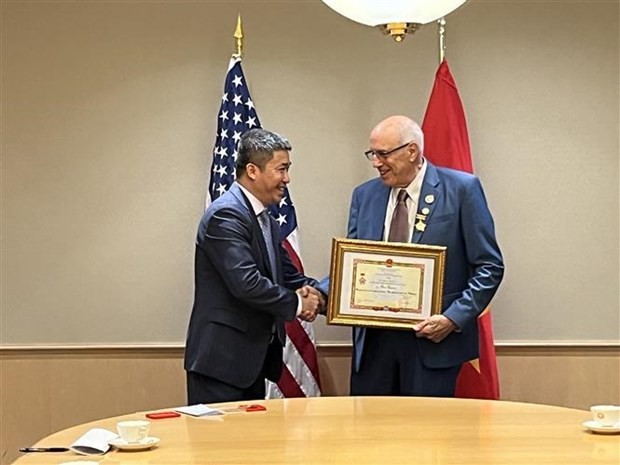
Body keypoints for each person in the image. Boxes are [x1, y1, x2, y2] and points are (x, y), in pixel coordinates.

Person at [342, 115, 504, 397]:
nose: (376, 163)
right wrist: (318, 293)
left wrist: (453, 318)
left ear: (412, 151)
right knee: (369, 435)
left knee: (427, 436)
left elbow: (489, 266)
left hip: (432, 343)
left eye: (383, 154)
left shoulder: (462, 190)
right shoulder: (364, 196)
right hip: (374, 345)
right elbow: (355, 263)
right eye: (373, 154)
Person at [184, 128, 324, 404]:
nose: (287, 179)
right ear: (252, 170)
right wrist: (298, 304)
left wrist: (332, 296)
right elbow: (246, 284)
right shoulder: (226, 215)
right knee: (220, 447)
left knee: (248, 446)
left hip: (250, 364)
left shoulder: (264, 219)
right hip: (221, 367)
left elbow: (289, 276)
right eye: (281, 169)